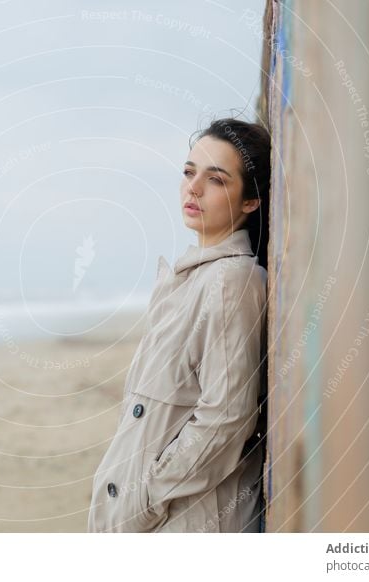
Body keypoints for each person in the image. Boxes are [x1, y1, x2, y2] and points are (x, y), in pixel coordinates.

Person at [87, 118, 270, 533]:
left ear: (250, 202)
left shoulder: (229, 281)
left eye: (216, 180)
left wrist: (146, 496)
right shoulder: (193, 280)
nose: (194, 188)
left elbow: (227, 416)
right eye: (190, 172)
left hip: (184, 521)